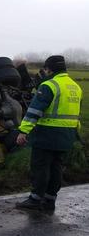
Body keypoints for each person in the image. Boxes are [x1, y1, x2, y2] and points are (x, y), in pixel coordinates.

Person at [15, 55, 82, 211]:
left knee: (40, 167)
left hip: (47, 134)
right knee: (56, 167)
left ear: (49, 69)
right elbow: (76, 113)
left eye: (45, 69)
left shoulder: (49, 85)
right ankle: (50, 200)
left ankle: (35, 199)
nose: (44, 72)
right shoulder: (75, 87)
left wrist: (23, 131)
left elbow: (34, 111)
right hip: (67, 135)